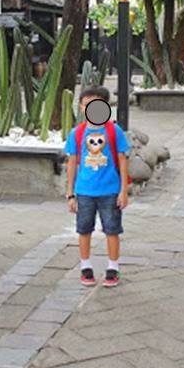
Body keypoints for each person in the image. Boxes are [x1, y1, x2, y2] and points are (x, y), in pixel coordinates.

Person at [64, 86, 131, 287]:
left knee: (112, 229)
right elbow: (72, 163)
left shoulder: (113, 130)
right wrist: (70, 193)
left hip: (110, 191)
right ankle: (85, 266)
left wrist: (123, 191)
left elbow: (122, 160)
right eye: (86, 105)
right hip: (84, 191)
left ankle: (113, 267)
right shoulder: (76, 133)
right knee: (84, 229)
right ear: (81, 107)